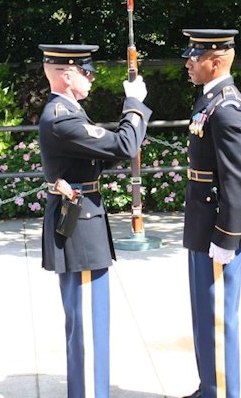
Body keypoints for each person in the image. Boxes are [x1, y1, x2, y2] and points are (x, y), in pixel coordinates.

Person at [37, 43, 151, 398]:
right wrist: (134, 105)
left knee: (88, 318)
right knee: (86, 321)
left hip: (84, 219)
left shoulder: (68, 112)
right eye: (86, 72)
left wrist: (124, 141)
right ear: (67, 75)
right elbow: (122, 146)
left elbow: (101, 156)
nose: (92, 78)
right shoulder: (62, 117)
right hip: (80, 227)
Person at [180, 29, 241, 398]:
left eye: (195, 56)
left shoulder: (225, 108)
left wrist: (227, 236)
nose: (188, 63)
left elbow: (238, 180)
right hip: (201, 222)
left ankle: (222, 393)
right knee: (204, 318)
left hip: (216, 229)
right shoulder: (209, 100)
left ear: (218, 59)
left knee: (218, 319)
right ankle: (210, 386)